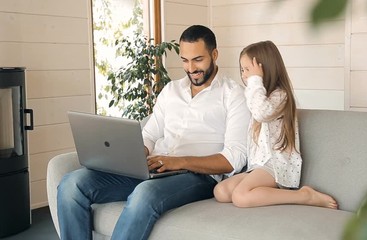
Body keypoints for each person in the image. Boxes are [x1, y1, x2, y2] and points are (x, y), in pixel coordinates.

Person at [56, 25, 250, 240]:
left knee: (144, 193)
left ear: (214, 54)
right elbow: (150, 133)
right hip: (156, 168)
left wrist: (179, 162)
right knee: (71, 184)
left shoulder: (234, 95)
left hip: (198, 177)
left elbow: (234, 158)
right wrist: (138, 152)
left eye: (198, 59)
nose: (191, 67)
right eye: (185, 60)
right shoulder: (171, 90)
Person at [213, 40, 338, 209]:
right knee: (221, 191)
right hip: (258, 165)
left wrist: (256, 81)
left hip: (276, 165)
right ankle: (263, 192)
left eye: (249, 70)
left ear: (265, 69)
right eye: (242, 70)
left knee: (240, 196)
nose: (244, 75)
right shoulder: (255, 96)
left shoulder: (281, 96)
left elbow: (261, 112)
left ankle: (304, 195)